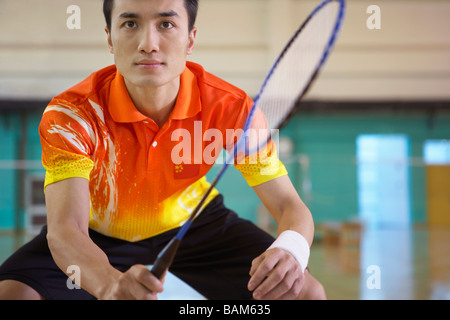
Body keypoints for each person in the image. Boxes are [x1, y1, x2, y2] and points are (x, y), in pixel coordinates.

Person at [0, 0, 325, 300]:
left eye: (166, 25)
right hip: (94, 234)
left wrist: (291, 248)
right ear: (110, 39)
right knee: (14, 294)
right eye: (130, 24)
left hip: (196, 227)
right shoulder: (73, 115)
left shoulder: (232, 109)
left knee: (305, 292)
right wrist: (108, 283)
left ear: (191, 39)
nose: (148, 44)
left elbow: (287, 205)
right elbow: (66, 228)